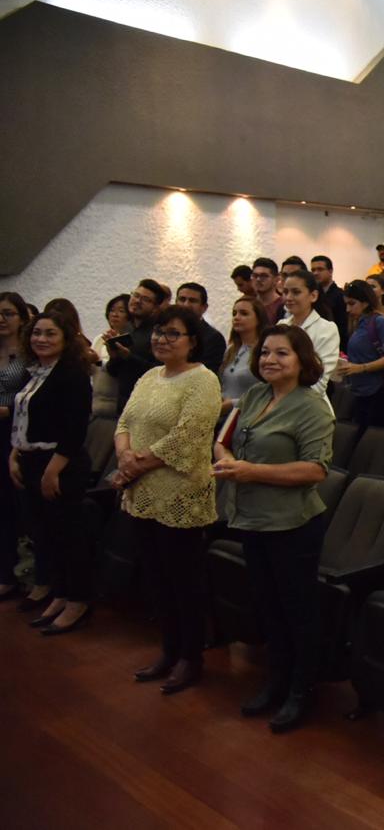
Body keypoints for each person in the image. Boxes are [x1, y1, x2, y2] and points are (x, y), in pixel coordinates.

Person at [213, 324, 334, 732]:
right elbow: (225, 439)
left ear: (303, 361)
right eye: (265, 352)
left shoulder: (312, 406)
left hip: (292, 526)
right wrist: (226, 457)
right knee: (268, 607)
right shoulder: (253, 395)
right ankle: (275, 681)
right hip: (250, 518)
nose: (269, 360)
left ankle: (301, 690)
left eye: (281, 354)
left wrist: (249, 470)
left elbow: (316, 470)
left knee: (297, 611)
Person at [114, 305, 221, 694]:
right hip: (142, 492)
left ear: (193, 342)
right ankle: (168, 650)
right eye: (159, 332)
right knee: (156, 579)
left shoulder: (203, 381)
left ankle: (191, 658)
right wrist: (126, 457)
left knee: (184, 582)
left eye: (173, 333)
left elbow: (187, 437)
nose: (161, 339)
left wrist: (132, 466)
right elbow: (125, 422)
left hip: (180, 494)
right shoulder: (148, 376)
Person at [8, 311, 94, 635]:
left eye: (50, 334)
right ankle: (60, 593)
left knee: (69, 536)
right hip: (30, 461)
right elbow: (22, 418)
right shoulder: (36, 372)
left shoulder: (72, 374)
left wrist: (51, 471)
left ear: (66, 338)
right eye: (37, 333)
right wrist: (15, 455)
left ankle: (78, 600)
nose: (41, 339)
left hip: (60, 465)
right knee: (46, 536)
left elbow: (74, 430)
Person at [0, 293, 32, 604]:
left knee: (11, 503)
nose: (1, 319)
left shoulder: (28, 354)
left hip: (12, 432)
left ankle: (14, 573)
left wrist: (6, 410)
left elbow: (32, 397)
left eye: (8, 313)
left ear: (21, 318)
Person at [335, 280, 384, 429]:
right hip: (360, 391)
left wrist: (361, 368)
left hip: (378, 393)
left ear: (365, 303)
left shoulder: (379, 322)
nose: (347, 309)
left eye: (352, 304)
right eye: (346, 304)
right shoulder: (358, 323)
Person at [106, 278, 167, 414]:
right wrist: (114, 357)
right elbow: (114, 372)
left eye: (145, 299)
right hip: (123, 406)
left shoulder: (159, 332)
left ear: (155, 307)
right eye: (136, 295)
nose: (137, 301)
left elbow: (161, 371)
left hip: (147, 408)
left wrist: (129, 357)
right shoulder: (126, 328)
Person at [281, 269, 341, 401]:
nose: (288, 298)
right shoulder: (281, 325)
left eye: (296, 292)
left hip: (309, 403)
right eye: (285, 292)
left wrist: (286, 401)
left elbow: (320, 379)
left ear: (313, 295)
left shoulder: (326, 329)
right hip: (278, 398)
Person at [220, 296, 270, 414]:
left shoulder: (264, 352)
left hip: (249, 414)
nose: (237, 317)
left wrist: (233, 403)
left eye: (244, 313)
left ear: (258, 319)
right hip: (224, 416)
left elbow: (268, 392)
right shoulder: (231, 350)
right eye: (234, 313)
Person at [89, 294, 132, 418]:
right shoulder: (99, 338)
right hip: (96, 399)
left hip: (116, 402)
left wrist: (98, 362)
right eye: (112, 310)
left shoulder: (129, 340)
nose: (115, 314)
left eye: (121, 311)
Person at [310, 256, 348, 350]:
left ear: (330, 271)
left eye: (320, 269)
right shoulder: (311, 295)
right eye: (313, 270)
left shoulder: (340, 295)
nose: (315, 273)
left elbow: (343, 327)